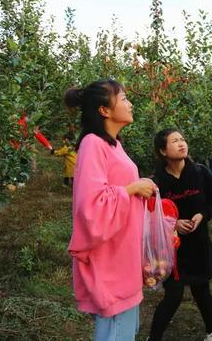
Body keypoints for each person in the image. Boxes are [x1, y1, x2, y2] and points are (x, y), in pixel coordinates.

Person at [65, 79, 157, 340]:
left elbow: (117, 187)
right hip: (110, 259)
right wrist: (132, 189)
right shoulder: (93, 143)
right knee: (116, 331)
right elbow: (91, 207)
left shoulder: (113, 145)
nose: (130, 103)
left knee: (125, 330)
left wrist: (141, 187)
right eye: (124, 98)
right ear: (104, 110)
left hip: (123, 254)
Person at [149, 128, 212, 341]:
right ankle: (153, 337)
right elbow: (150, 213)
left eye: (182, 139)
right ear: (163, 151)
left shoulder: (200, 173)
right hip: (172, 248)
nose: (182, 143)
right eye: (174, 141)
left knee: (202, 291)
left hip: (199, 245)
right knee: (173, 296)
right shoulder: (157, 182)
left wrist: (203, 214)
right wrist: (173, 224)